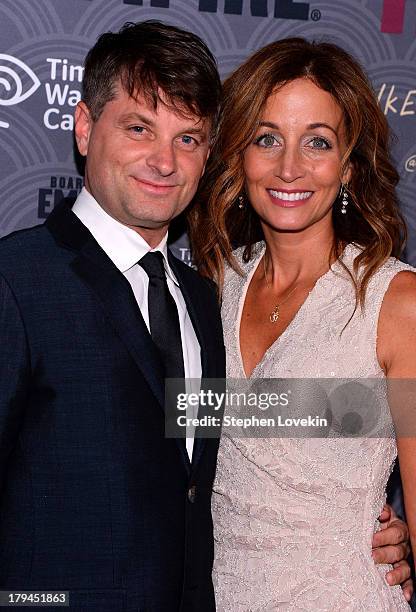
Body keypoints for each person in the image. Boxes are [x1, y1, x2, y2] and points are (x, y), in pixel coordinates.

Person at [0, 21, 224, 612]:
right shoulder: (15, 280)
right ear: (83, 126)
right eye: (138, 127)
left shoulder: (205, 299)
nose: (164, 160)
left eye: (189, 138)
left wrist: (356, 516)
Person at [190, 38, 416, 610]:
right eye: (267, 139)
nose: (290, 167)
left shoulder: (397, 303)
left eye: (317, 142)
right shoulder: (211, 286)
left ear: (348, 164)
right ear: (238, 155)